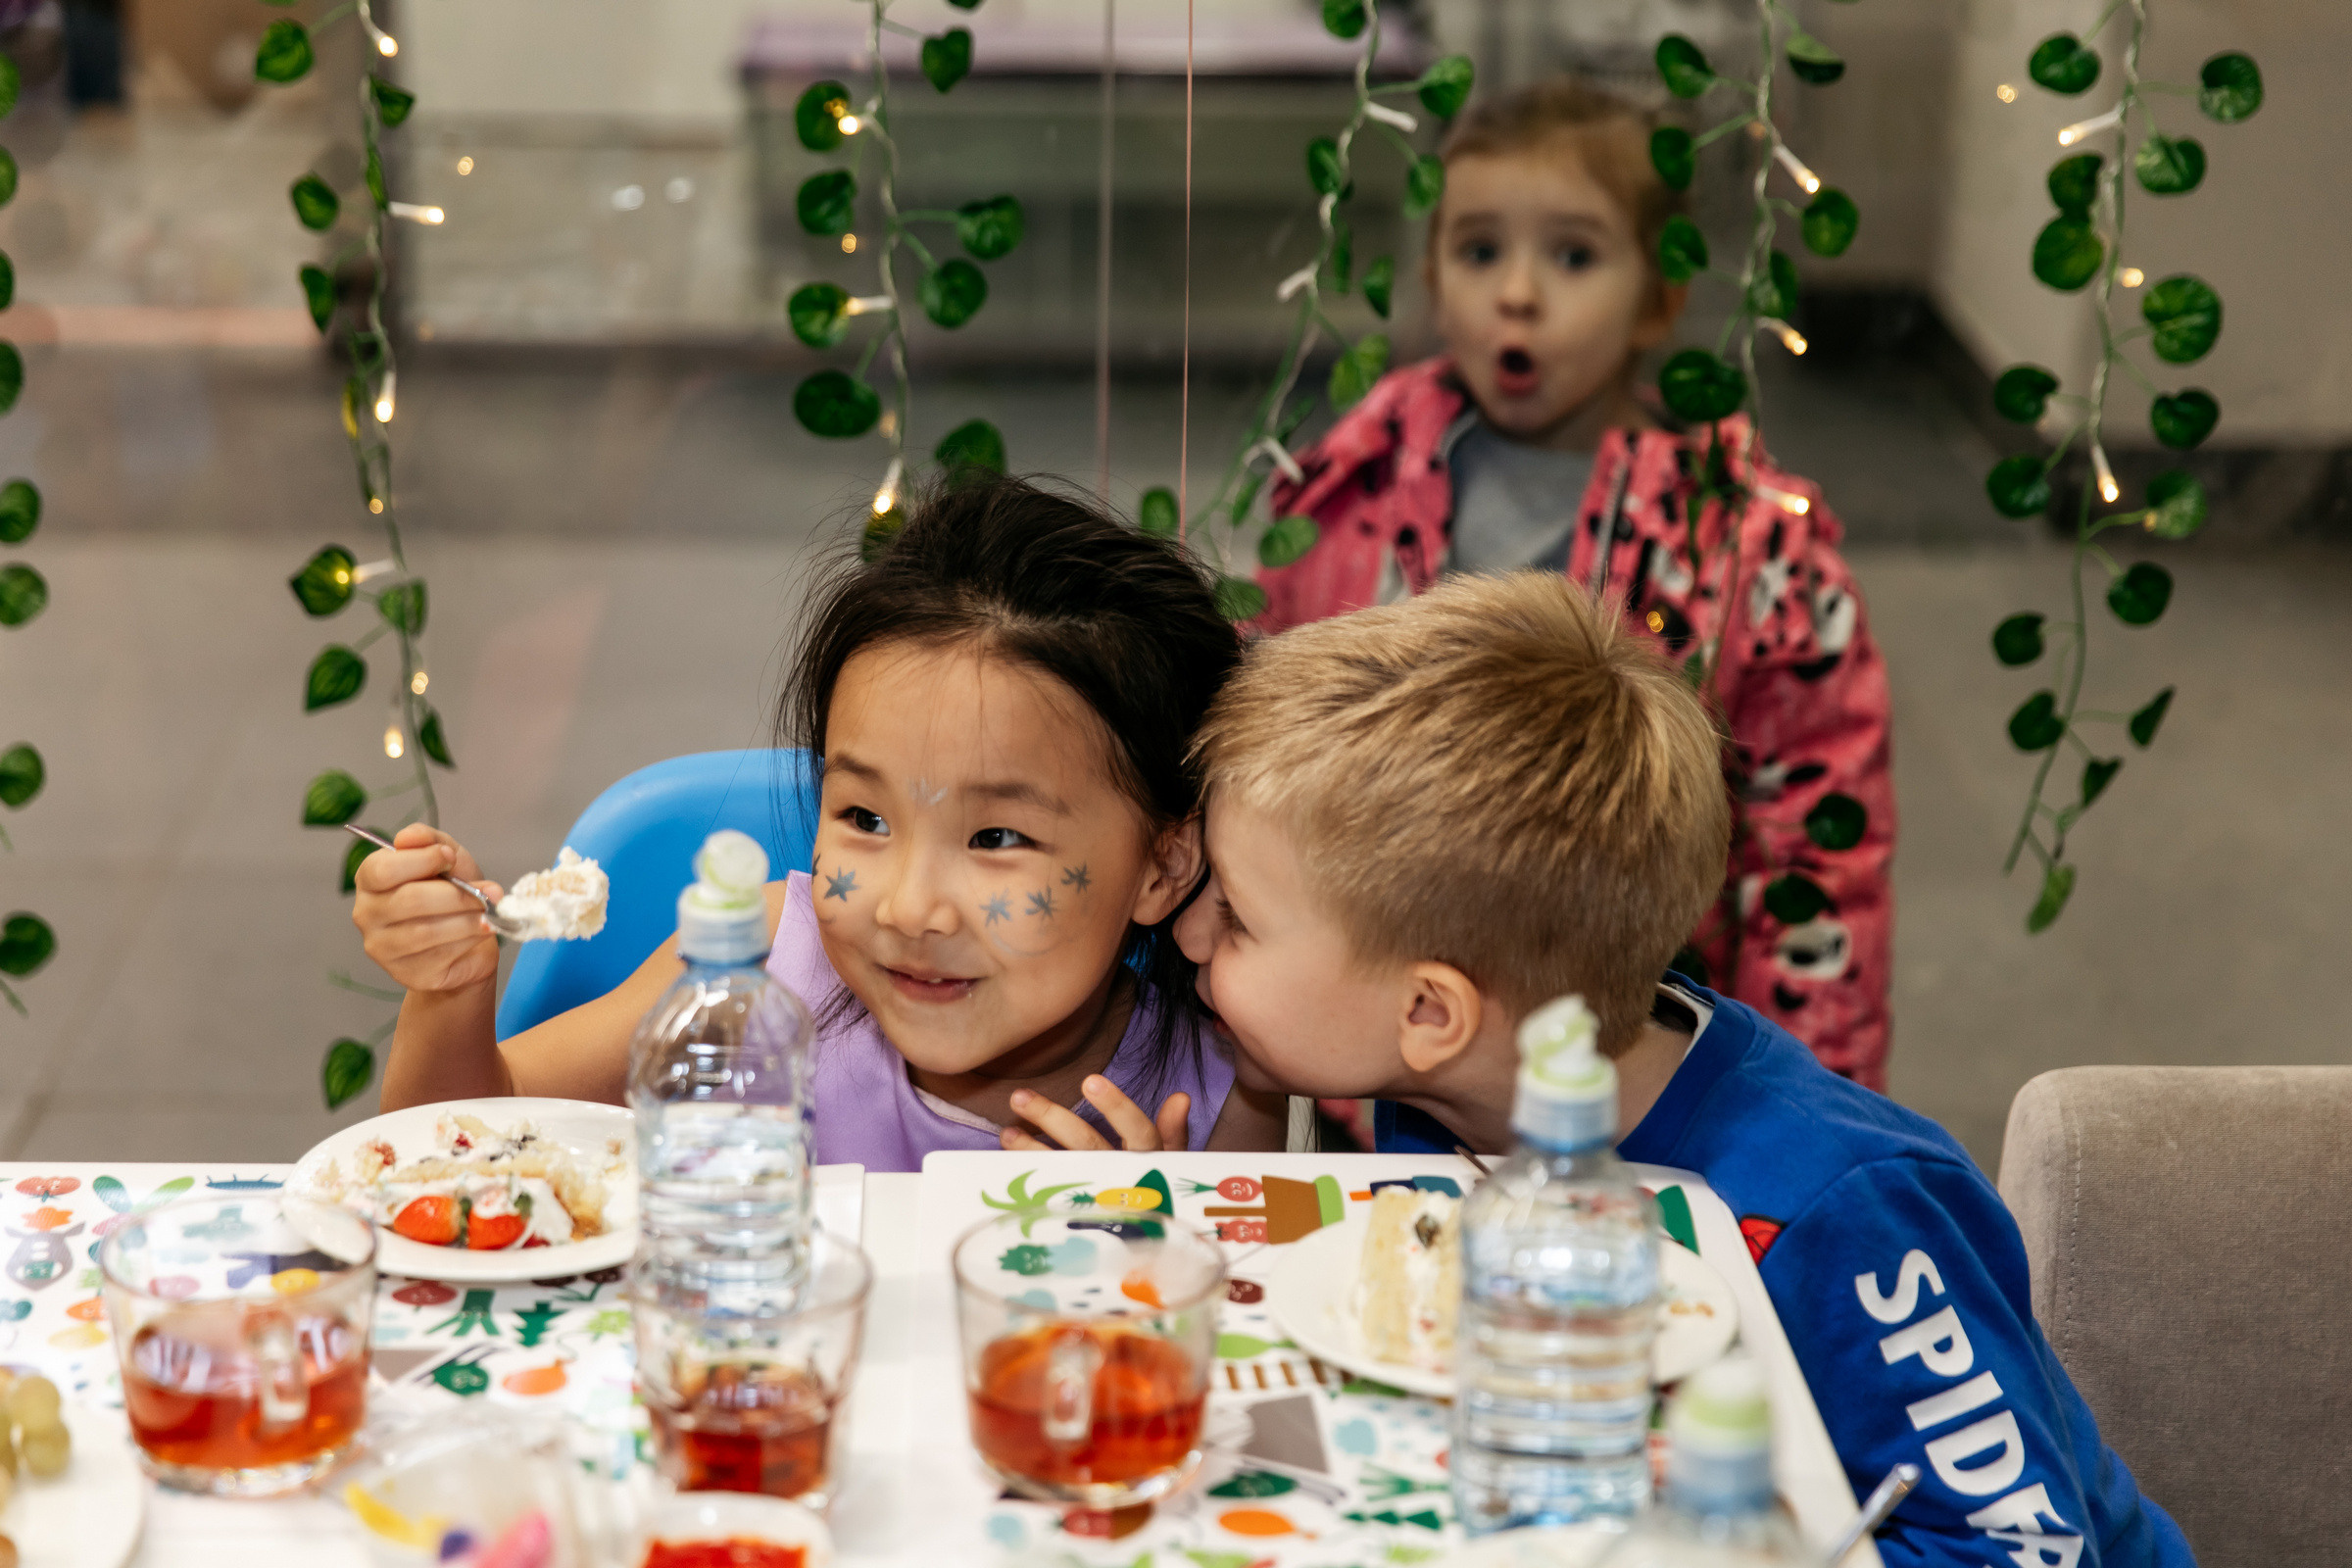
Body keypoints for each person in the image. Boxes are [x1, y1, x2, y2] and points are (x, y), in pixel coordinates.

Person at [1175, 571, 2190, 1568]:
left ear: (1430, 1013)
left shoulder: (1846, 1211)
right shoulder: (1450, 1098)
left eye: (1237, 918)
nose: (1188, 934)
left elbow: (2029, 1547)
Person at [356, 474, 1289, 1171]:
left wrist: (1163, 1242)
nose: (908, 907)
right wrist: (449, 992)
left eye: (997, 839)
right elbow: (454, 1140)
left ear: (1163, 866)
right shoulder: (757, 970)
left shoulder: (1219, 1087)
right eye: (865, 817)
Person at [1255, 77, 1894, 1092]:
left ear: (1659, 300)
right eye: (1479, 250)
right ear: (1433, 277)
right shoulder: (1346, 493)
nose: (1517, 292)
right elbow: (1267, 764)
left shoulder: (1747, 550)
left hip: (1635, 1060)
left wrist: (1800, 1103)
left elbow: (1812, 854)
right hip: (1369, 1052)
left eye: (1573, 255)